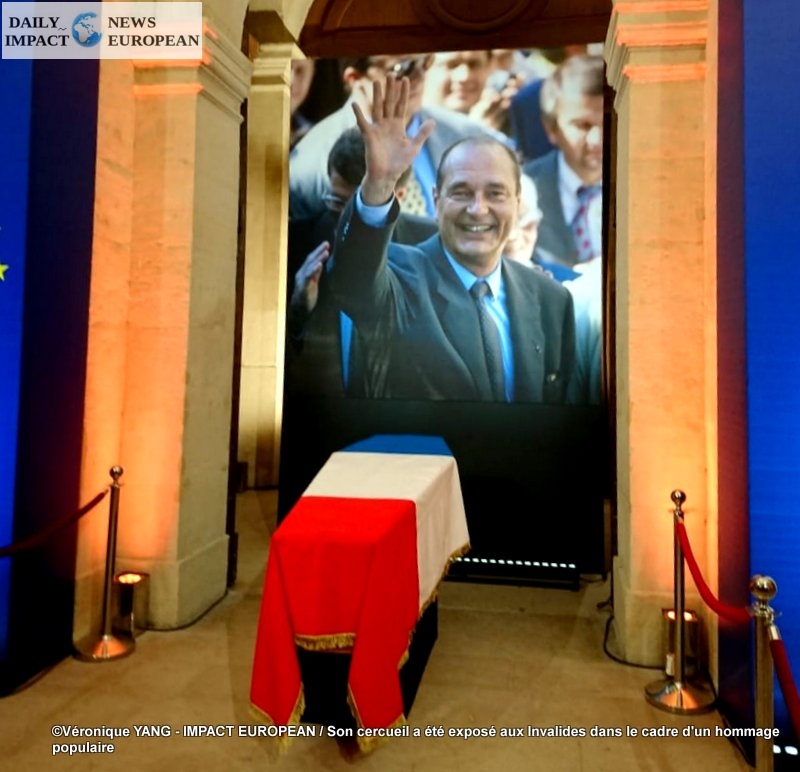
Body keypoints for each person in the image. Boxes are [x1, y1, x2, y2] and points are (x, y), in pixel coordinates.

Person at [329, 76, 575, 404]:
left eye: (495, 193)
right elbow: (353, 281)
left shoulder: (551, 300)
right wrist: (379, 183)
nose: (478, 209)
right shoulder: (399, 275)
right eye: (461, 192)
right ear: (436, 200)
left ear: (517, 204)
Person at [287, 127, 438, 397]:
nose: (349, 220)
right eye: (338, 202)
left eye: (360, 206)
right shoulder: (290, 244)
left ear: (399, 197)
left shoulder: (431, 247)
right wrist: (298, 310)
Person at [289, 54, 497, 221]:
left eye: (425, 61)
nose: (419, 76)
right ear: (355, 78)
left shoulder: (467, 136)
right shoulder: (311, 161)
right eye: (402, 68)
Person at [521, 54, 604, 281]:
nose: (597, 140)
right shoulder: (522, 188)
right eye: (582, 126)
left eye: (609, 123)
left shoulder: (647, 188)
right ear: (551, 129)